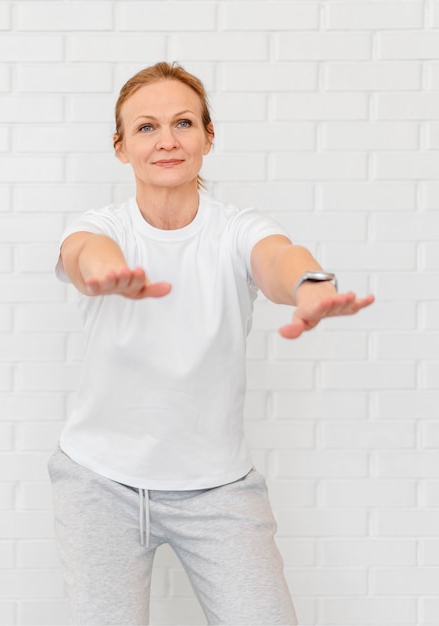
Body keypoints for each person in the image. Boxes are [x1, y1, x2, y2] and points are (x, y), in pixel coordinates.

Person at [49, 61, 374, 626]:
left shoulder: (235, 228)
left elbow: (277, 257)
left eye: (184, 123)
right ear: (121, 147)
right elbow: (83, 254)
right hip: (100, 486)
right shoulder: (105, 228)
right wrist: (107, 272)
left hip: (218, 491)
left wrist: (310, 284)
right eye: (146, 128)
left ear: (208, 136)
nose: (167, 140)